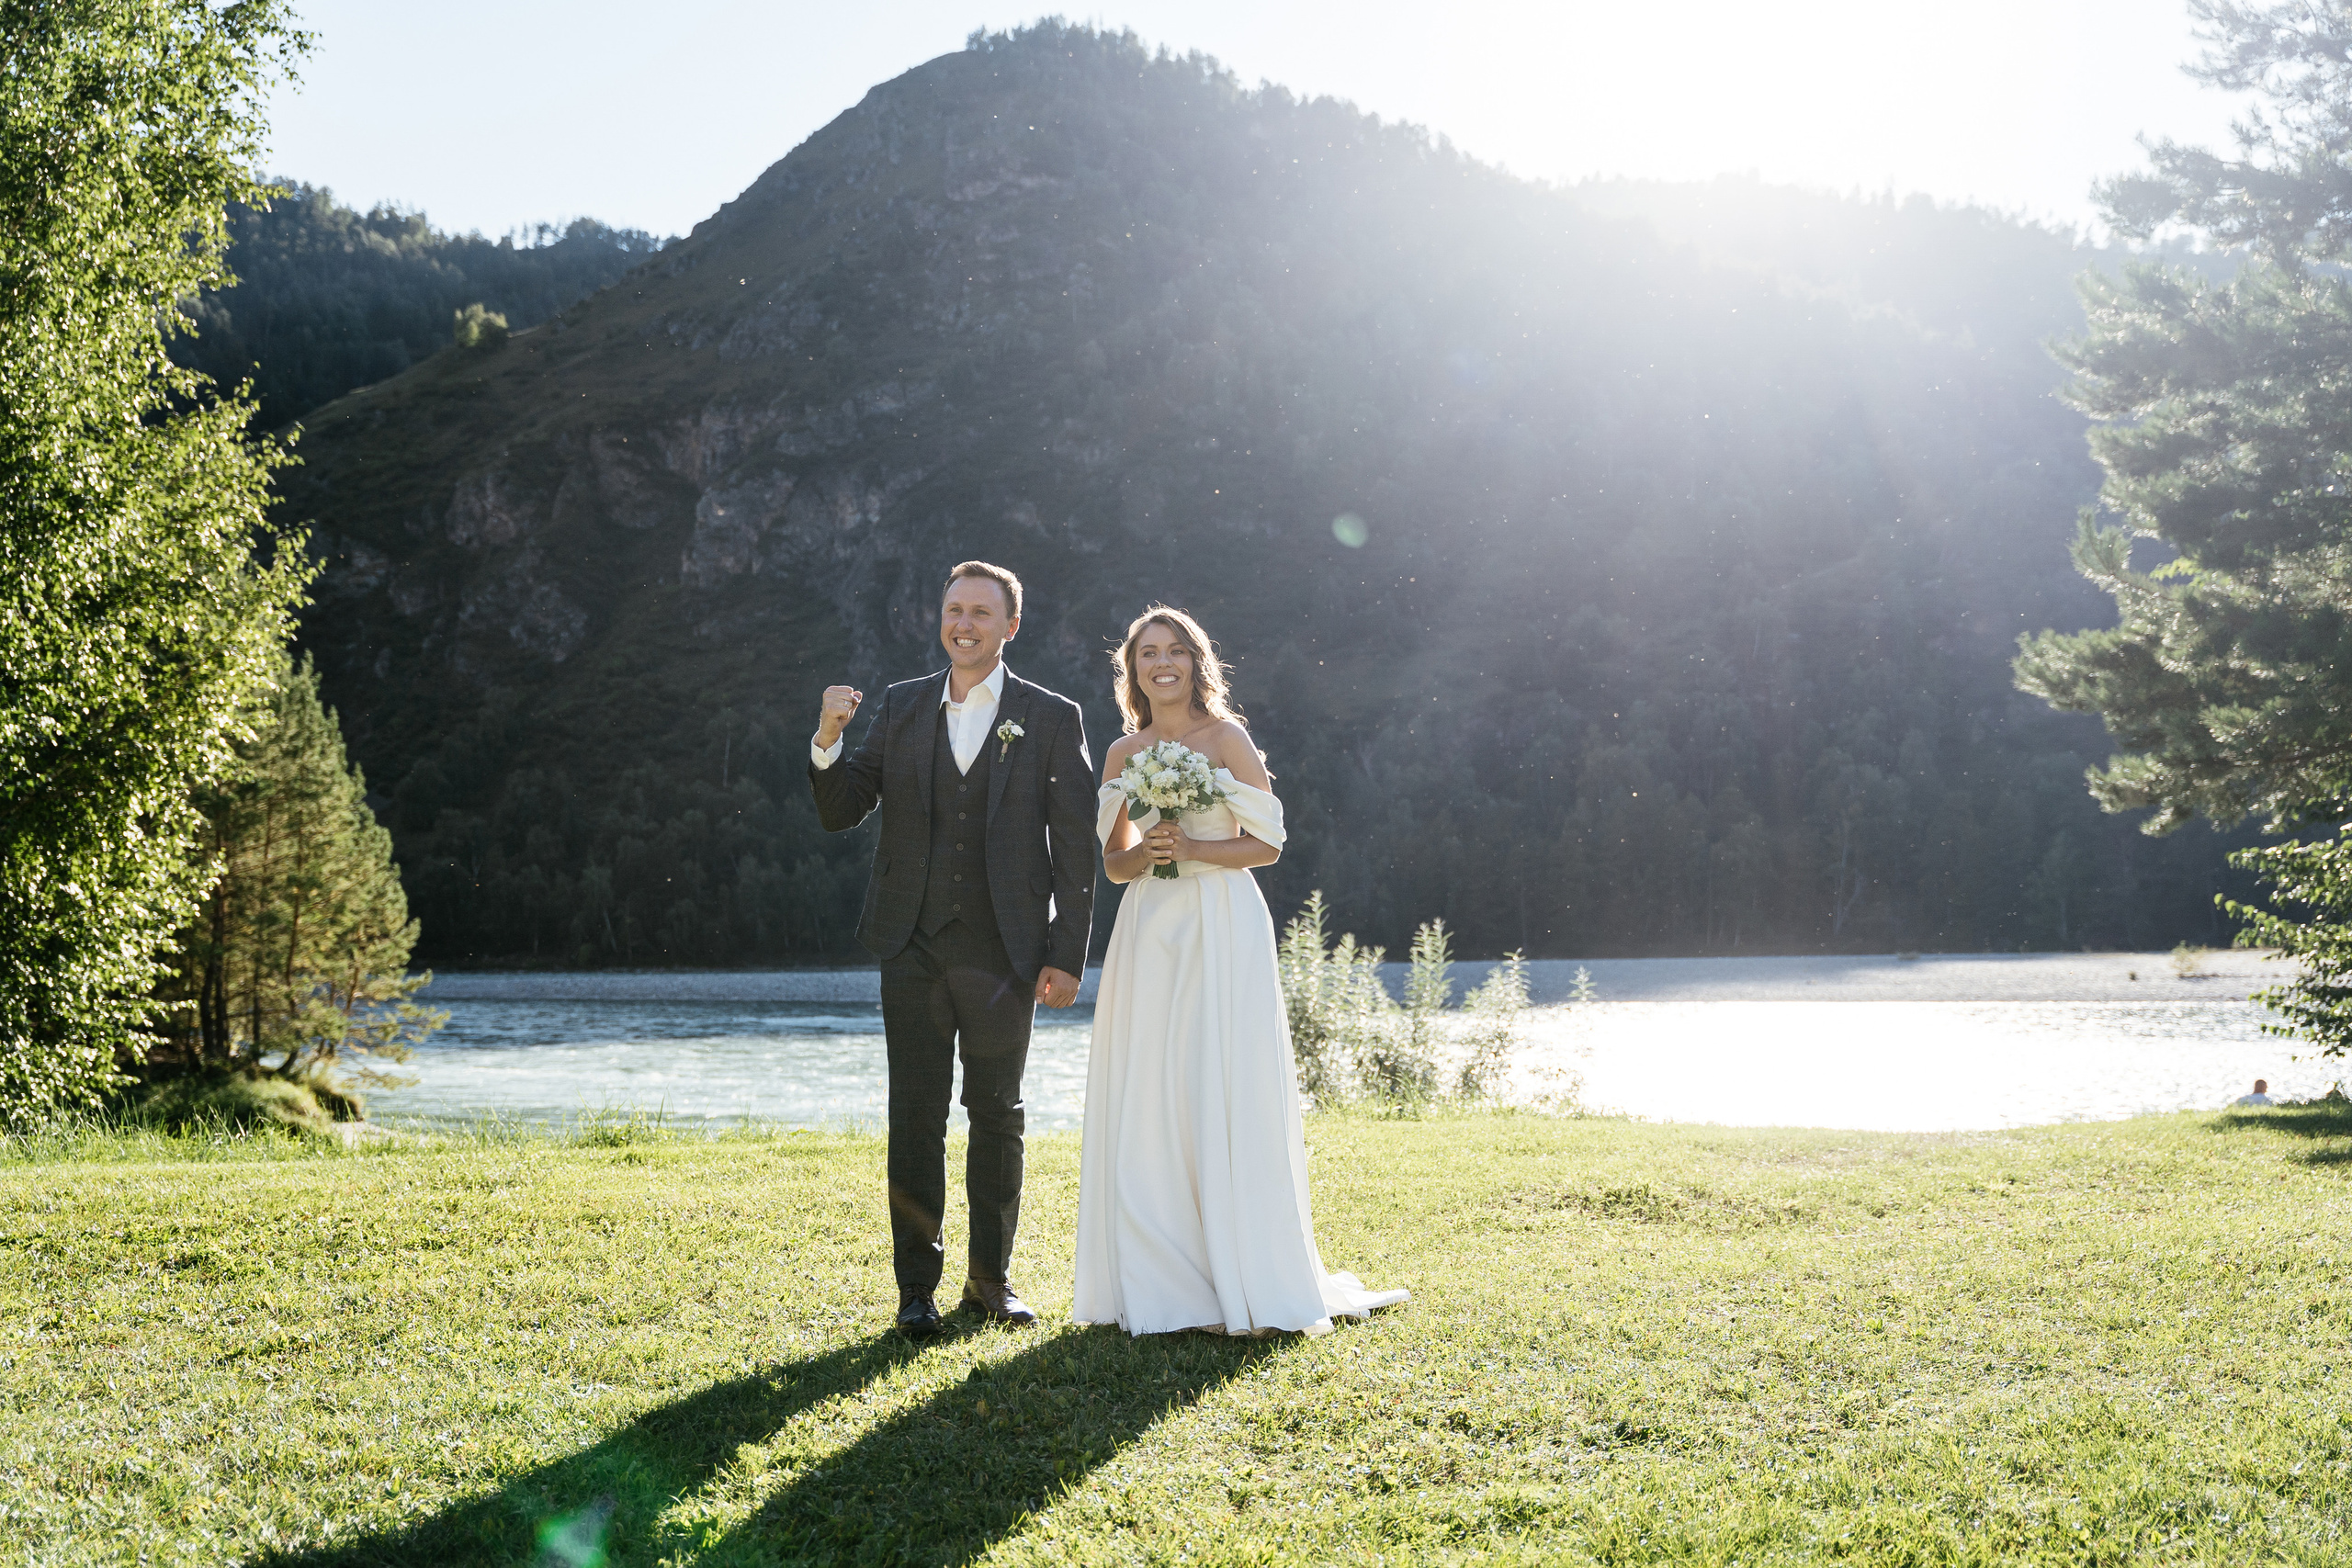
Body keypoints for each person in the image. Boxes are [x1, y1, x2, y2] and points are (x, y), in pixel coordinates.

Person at [1073, 605, 1408, 1337]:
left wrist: (1193, 849)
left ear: (1196, 662)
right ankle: (1161, 1276)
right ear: (1132, 670)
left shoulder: (1227, 738)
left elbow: (1268, 843)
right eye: (1148, 653)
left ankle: (1241, 1267)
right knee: (1152, 1087)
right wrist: (1149, 850)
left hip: (1221, 921)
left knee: (1220, 1079)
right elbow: (1116, 864)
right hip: (1149, 929)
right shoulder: (1123, 752)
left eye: (1175, 651)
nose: (1162, 663)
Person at [808, 561, 1096, 1340]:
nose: (963, 624)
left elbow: (1075, 847)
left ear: (1010, 626)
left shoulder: (1050, 716)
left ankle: (990, 1281)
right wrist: (829, 738)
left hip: (1007, 953)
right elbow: (842, 809)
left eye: (980, 612)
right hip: (910, 944)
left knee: (997, 1111)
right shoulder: (902, 704)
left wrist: (1066, 953)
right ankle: (916, 1291)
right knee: (915, 1115)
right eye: (953, 610)